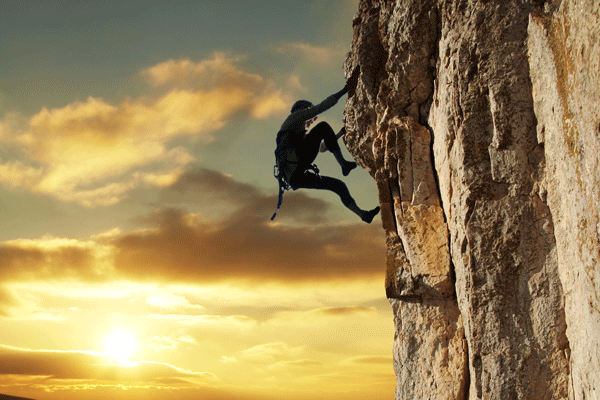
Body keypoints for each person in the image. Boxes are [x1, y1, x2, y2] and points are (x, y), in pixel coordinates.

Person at [272, 70, 380, 223]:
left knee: (338, 185)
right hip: (298, 166)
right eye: (310, 114)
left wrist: (340, 134)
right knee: (323, 127)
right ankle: (343, 164)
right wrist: (345, 90)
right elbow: (322, 107)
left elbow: (322, 148)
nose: (311, 120)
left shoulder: (296, 134)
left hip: (296, 177)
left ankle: (364, 215)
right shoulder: (294, 118)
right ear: (302, 109)